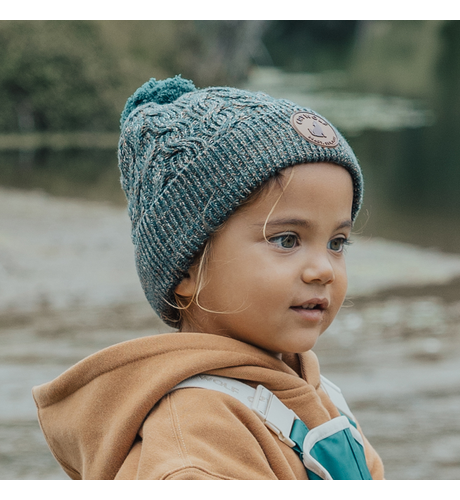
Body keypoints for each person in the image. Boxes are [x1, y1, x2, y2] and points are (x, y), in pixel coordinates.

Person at [32, 76, 384, 480]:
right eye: (287, 239)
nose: (323, 269)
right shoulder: (193, 450)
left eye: (337, 243)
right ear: (186, 269)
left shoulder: (311, 388)